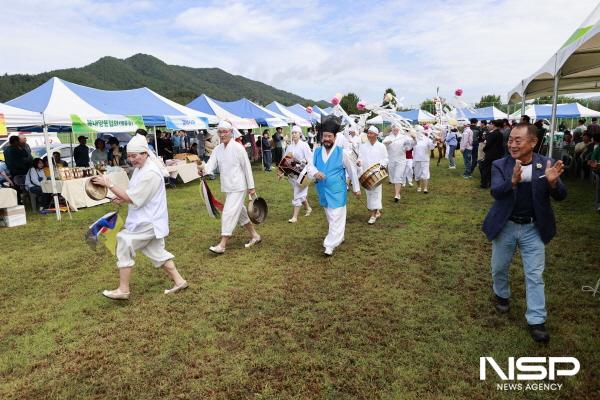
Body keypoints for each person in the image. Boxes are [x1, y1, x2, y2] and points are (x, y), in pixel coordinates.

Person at [482, 123, 566, 342]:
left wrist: (554, 183)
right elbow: (496, 192)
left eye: (518, 140)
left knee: (534, 275)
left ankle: (536, 320)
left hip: (533, 229)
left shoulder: (546, 164)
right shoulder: (500, 164)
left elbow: (561, 196)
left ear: (533, 142)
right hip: (506, 226)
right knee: (499, 267)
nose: (512, 145)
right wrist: (512, 181)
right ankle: (501, 295)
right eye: (510, 140)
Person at [91, 134, 188, 300]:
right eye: (129, 156)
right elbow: (134, 193)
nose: (131, 159)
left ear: (145, 153)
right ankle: (179, 281)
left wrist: (109, 184)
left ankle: (123, 289)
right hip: (146, 218)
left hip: (149, 221)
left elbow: (133, 196)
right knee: (156, 251)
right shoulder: (140, 169)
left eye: (134, 156)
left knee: (123, 241)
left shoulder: (151, 173)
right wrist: (122, 197)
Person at [202, 121, 261, 254]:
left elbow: (247, 167)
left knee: (228, 213)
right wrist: (203, 170)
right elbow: (210, 165)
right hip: (227, 187)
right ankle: (255, 236)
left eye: (225, 132)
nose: (222, 134)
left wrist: (251, 187)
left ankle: (222, 244)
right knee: (240, 212)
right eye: (220, 132)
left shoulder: (238, 148)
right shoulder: (217, 149)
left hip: (239, 186)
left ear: (231, 132)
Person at [306, 115, 360, 256]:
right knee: (331, 217)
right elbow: (309, 167)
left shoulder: (342, 153)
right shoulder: (317, 151)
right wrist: (316, 172)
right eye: (325, 136)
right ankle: (339, 237)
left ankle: (329, 245)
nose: (327, 139)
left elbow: (352, 170)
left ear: (335, 137)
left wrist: (356, 188)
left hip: (337, 190)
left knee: (336, 216)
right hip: (322, 190)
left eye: (330, 136)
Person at [358, 126, 388, 224]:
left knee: (376, 193)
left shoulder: (381, 146)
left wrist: (380, 167)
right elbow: (360, 158)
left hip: (377, 174)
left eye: (371, 133)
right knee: (369, 194)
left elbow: (385, 159)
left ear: (376, 135)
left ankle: (373, 215)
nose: (369, 135)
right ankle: (376, 211)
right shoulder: (363, 146)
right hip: (366, 174)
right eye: (368, 133)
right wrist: (359, 162)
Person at [285, 125, 313, 223]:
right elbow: (286, 159)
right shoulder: (290, 146)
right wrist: (282, 172)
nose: (294, 134)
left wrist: (304, 162)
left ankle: (295, 217)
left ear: (300, 134)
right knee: (300, 193)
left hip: (303, 174)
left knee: (297, 194)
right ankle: (308, 208)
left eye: (296, 133)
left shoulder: (304, 145)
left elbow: (310, 159)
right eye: (293, 133)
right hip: (293, 174)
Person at [383, 123, 414, 202]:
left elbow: (409, 147)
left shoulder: (403, 137)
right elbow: (382, 146)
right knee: (393, 178)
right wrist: (386, 143)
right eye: (393, 128)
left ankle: (397, 194)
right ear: (391, 129)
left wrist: (410, 142)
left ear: (399, 129)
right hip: (391, 160)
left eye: (396, 128)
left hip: (401, 160)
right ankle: (397, 192)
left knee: (398, 176)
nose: (395, 129)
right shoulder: (388, 137)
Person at [480, 120, 504, 189]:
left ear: (493, 125)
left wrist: (484, 149)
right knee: (493, 169)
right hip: (497, 154)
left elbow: (488, 144)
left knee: (485, 168)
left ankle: (485, 183)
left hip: (490, 154)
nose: (489, 125)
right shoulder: (500, 133)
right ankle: (491, 182)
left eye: (490, 124)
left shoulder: (493, 134)